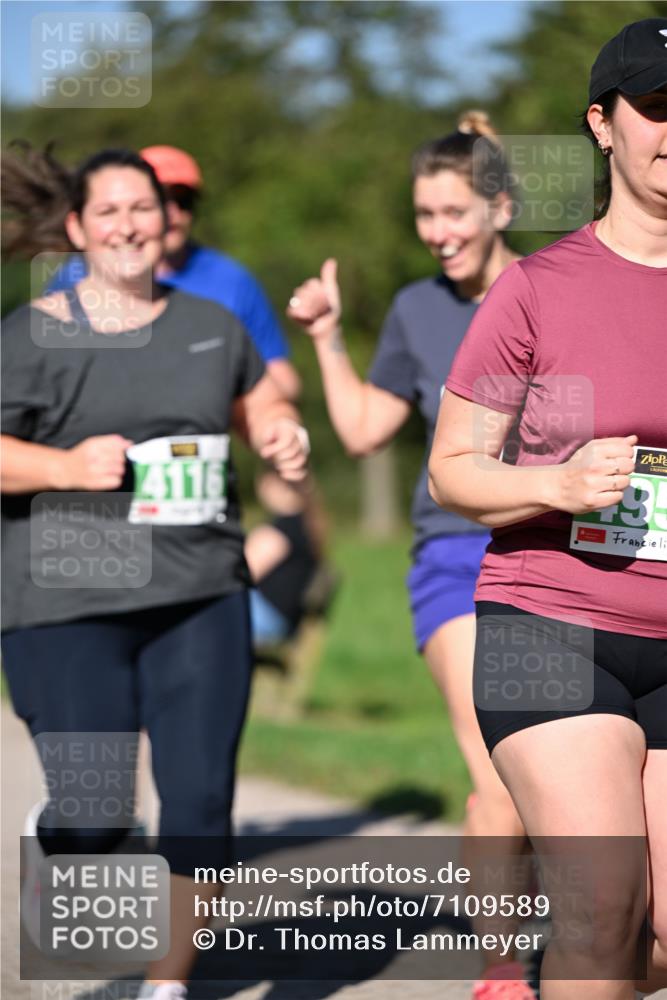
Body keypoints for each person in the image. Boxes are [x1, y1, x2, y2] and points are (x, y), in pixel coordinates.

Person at [1, 146, 309, 1000]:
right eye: (109, 212)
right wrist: (63, 469)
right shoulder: (31, 335)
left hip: (200, 590)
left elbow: (262, 405)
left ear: (166, 219)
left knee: (201, 798)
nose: (130, 225)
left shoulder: (210, 323)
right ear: (76, 228)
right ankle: (65, 834)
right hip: (67, 598)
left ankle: (167, 986)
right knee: (97, 815)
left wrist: (285, 433)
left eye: (144, 208)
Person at [428, 20, 666, 1000]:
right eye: (655, 108)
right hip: (552, 626)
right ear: (601, 124)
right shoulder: (537, 288)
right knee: (602, 904)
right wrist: (555, 484)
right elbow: (452, 470)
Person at [287, 112, 538, 998]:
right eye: (423, 215)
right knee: (498, 764)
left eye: (453, 212)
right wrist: (324, 337)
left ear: (500, 207)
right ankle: (502, 969)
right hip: (455, 563)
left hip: (559, 558)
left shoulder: (554, 288)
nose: (436, 233)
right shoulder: (415, 309)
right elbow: (361, 431)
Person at [47, 143, 301, 400]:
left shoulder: (231, 280)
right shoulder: (74, 279)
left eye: (183, 201)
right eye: (158, 201)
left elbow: (282, 380)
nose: (174, 213)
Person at [245, 470, 326, 646]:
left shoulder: (277, 532)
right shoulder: (307, 527)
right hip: (283, 621)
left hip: (266, 620)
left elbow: (239, 576)